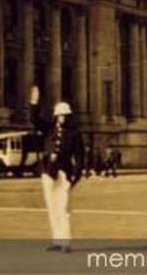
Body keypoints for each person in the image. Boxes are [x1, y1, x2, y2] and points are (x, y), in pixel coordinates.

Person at [41, 102, 83, 253]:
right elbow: (34, 120)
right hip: (49, 173)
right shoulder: (49, 131)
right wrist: (33, 102)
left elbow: (79, 158)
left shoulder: (74, 134)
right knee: (52, 208)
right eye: (60, 115)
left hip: (64, 174)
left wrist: (75, 177)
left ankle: (66, 242)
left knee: (64, 208)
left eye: (65, 115)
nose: (63, 118)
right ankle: (57, 240)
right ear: (56, 116)